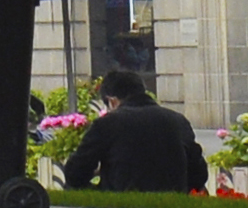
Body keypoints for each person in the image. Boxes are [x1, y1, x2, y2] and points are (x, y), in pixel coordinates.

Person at [56, 67, 208, 192]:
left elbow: (74, 175)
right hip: (173, 203)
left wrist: (98, 172)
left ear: (112, 101)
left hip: (121, 206)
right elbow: (199, 175)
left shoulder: (108, 124)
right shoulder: (178, 120)